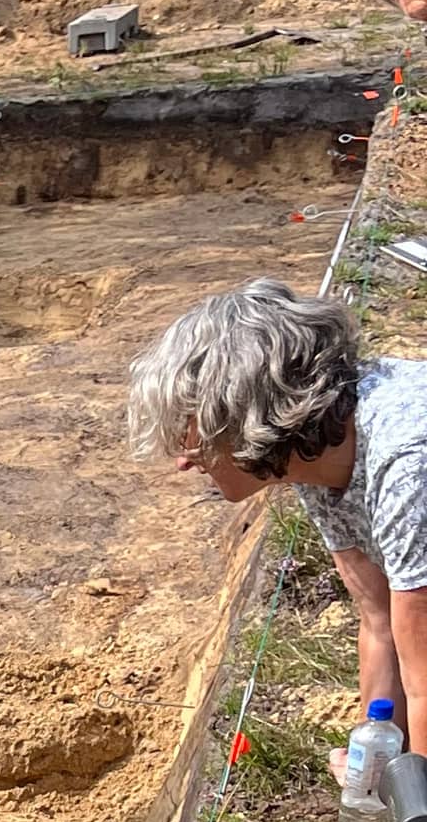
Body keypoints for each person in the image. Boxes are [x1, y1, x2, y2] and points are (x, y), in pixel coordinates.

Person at [128, 281, 422, 741]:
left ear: (243, 412)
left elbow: (424, 679)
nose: (182, 461)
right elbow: (379, 621)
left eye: (189, 430)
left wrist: (411, 785)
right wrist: (371, 755)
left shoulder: (407, 466)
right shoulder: (311, 453)